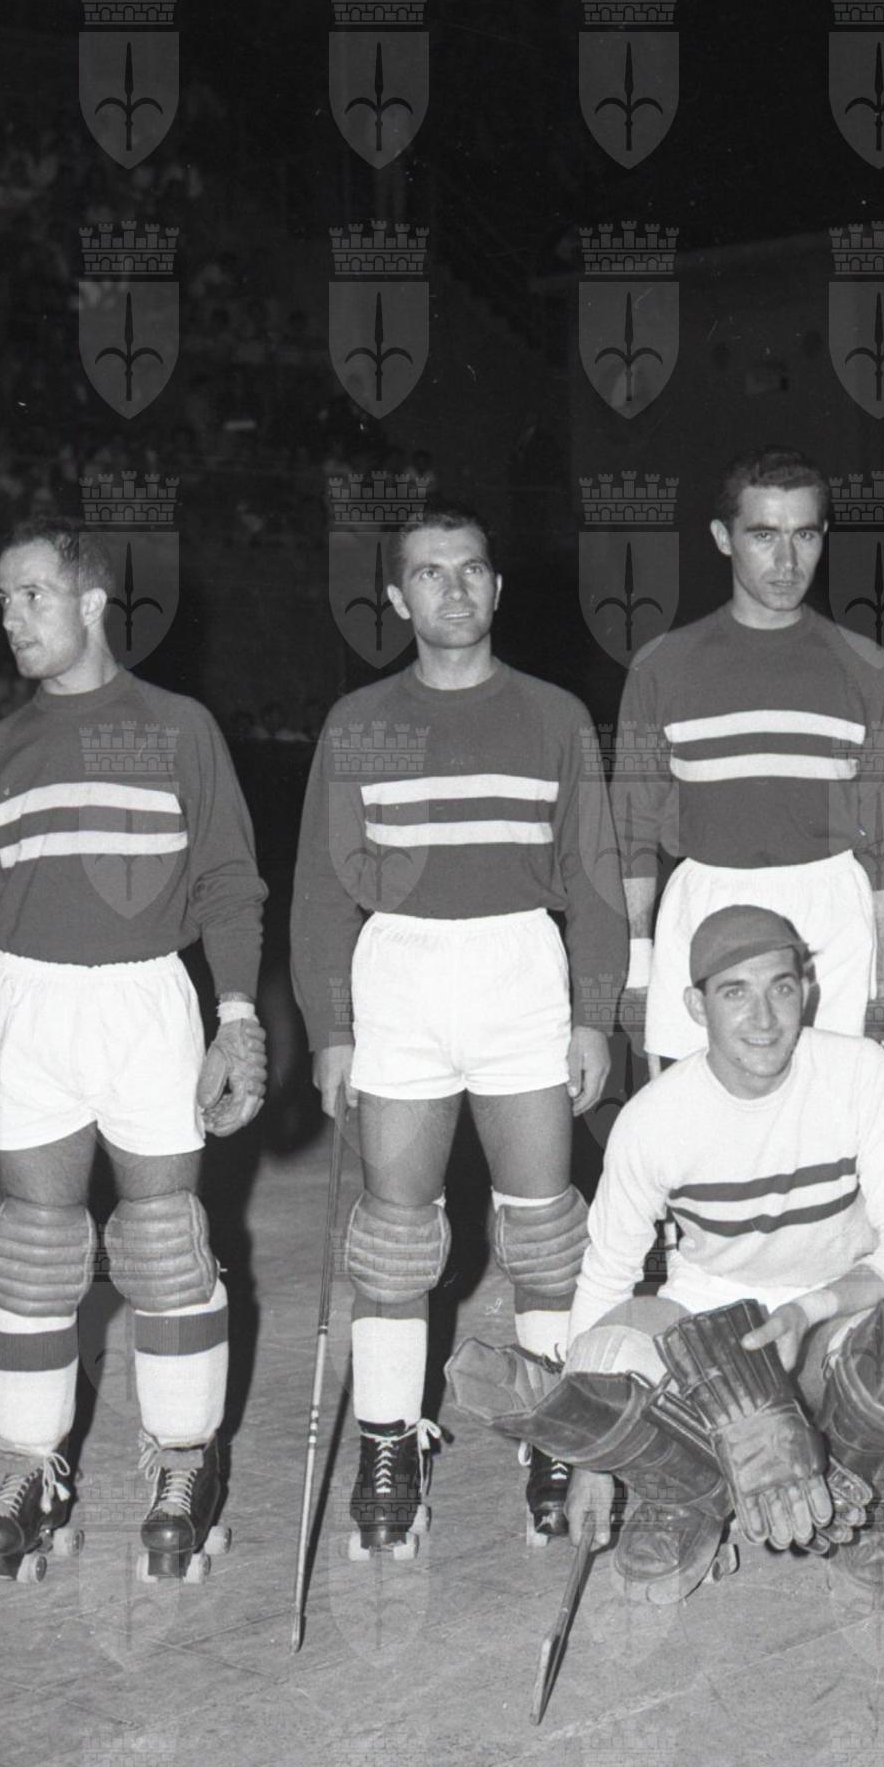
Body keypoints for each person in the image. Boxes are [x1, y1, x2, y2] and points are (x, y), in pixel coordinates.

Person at [449, 906, 884, 1611]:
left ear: (805, 992)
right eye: (735, 992)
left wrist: (811, 1309)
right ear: (696, 1006)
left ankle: (868, 1499)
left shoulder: (857, 1073)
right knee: (603, 1351)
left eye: (781, 987)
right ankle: (687, 1495)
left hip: (831, 1321)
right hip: (712, 1334)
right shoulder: (655, 1118)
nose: (763, 1017)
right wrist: (590, 1459)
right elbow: (605, 1279)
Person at [291, 502, 624, 1552]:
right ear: (397, 598)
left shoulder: (555, 714)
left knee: (544, 1229)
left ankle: (556, 1433)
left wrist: (593, 1014)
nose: (453, 588)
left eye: (471, 568)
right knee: (395, 1236)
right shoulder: (358, 720)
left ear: (497, 585)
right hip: (402, 971)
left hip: (519, 966)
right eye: (429, 573)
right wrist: (331, 1026)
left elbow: (595, 880)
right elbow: (321, 890)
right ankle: (388, 1440)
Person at [0, 519, 267, 1584]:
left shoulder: (178, 726)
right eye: (3, 600)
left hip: (142, 1000)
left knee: (164, 1241)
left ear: (91, 602)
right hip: (29, 1005)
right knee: (35, 1249)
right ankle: (32, 1470)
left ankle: (184, 1462)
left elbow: (228, 879)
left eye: (32, 595)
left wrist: (237, 1016)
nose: (12, 618)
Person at [612, 448, 884, 1067]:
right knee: (699, 1118)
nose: (787, 561)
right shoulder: (662, 666)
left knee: (827, 1115)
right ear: (724, 538)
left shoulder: (866, 667)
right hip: (705, 905)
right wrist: (637, 969)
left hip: (831, 916)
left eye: (805, 535)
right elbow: (632, 831)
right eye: (764, 535)